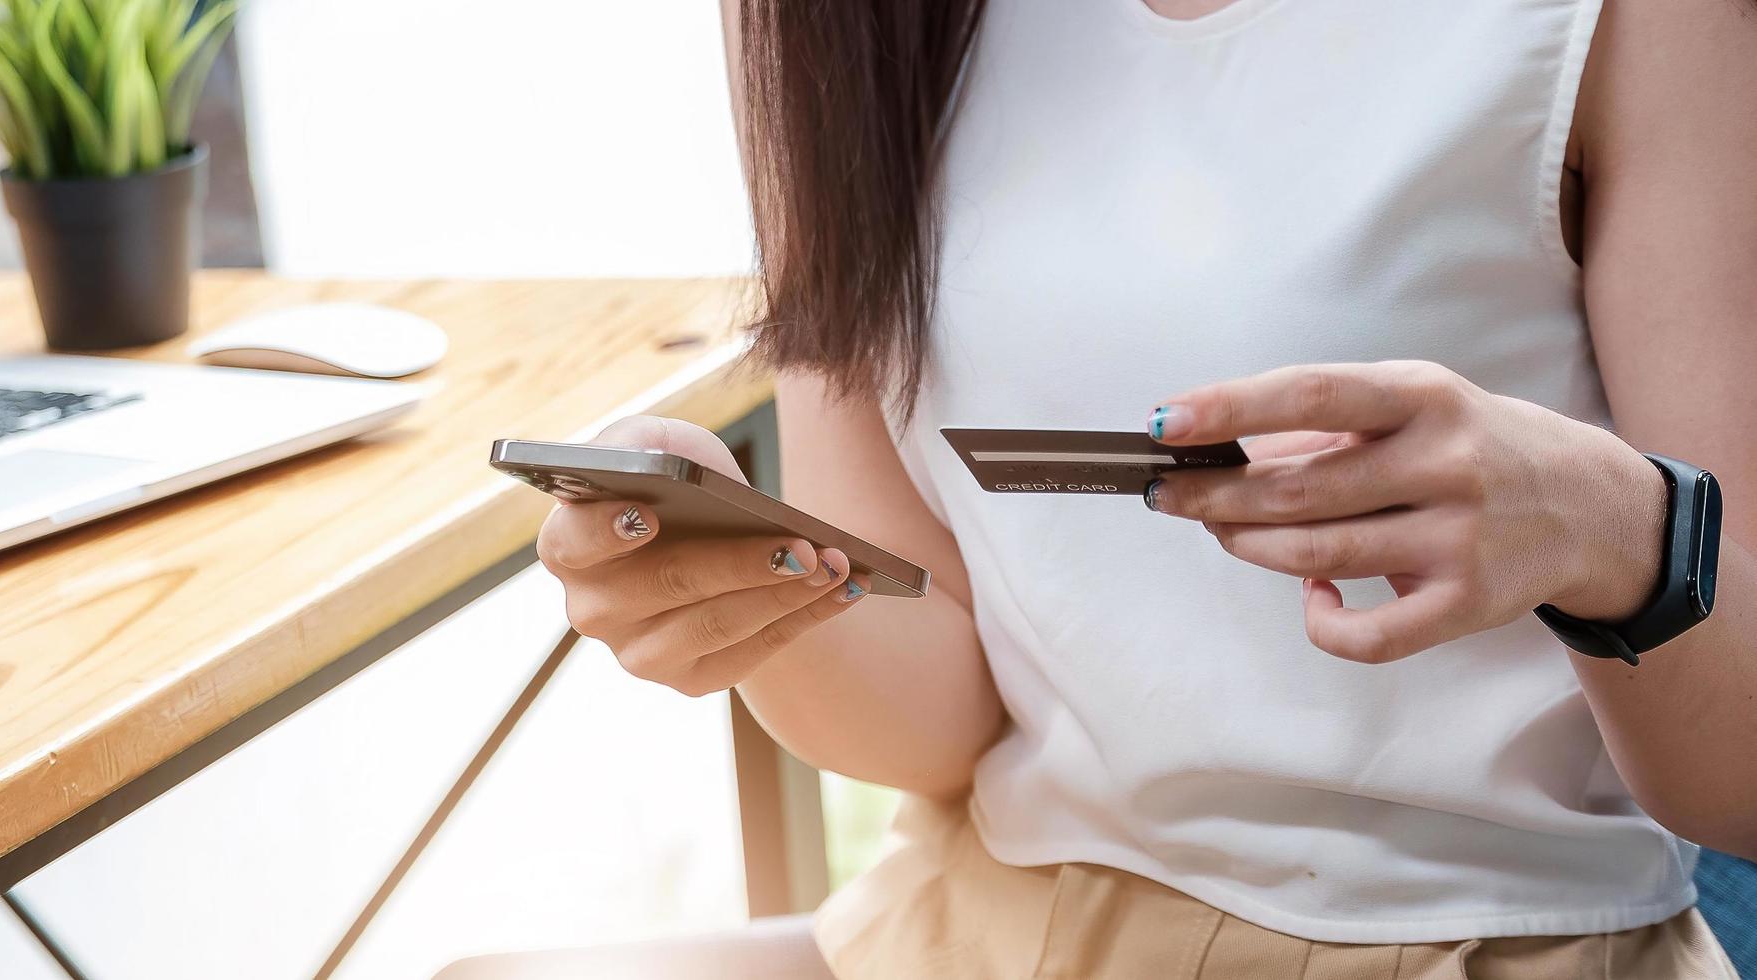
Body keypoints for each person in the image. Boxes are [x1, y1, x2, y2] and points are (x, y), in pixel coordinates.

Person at [443, 0, 1757, 976]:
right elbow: (935, 723)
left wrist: (1611, 532)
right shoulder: (832, 26)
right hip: (992, 918)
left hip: (1477, 941)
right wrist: (748, 596)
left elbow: (1739, 781)